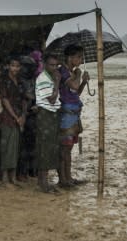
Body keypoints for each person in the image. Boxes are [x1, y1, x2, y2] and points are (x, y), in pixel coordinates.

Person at [58, 44, 89, 188]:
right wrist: (78, 76)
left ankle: (68, 178)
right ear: (70, 58)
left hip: (74, 112)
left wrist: (84, 81)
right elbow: (74, 86)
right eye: (79, 57)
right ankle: (63, 179)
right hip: (66, 114)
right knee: (65, 148)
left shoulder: (71, 71)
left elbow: (76, 92)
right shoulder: (63, 71)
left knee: (69, 148)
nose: (80, 60)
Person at [34, 53, 61, 193]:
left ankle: (42, 181)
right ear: (45, 64)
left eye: (56, 65)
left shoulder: (49, 76)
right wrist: (57, 82)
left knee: (48, 147)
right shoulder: (44, 78)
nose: (54, 67)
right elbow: (51, 99)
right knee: (44, 147)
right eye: (52, 65)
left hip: (51, 114)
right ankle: (43, 183)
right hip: (45, 114)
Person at [0, 56, 26, 187]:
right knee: (6, 147)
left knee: (15, 148)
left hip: (19, 117)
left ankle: (13, 177)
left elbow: (24, 99)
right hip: (8, 117)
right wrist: (15, 116)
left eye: (17, 66)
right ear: (8, 66)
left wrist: (23, 116)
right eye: (13, 65)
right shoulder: (3, 81)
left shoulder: (20, 81)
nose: (15, 68)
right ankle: (5, 178)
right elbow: (5, 100)